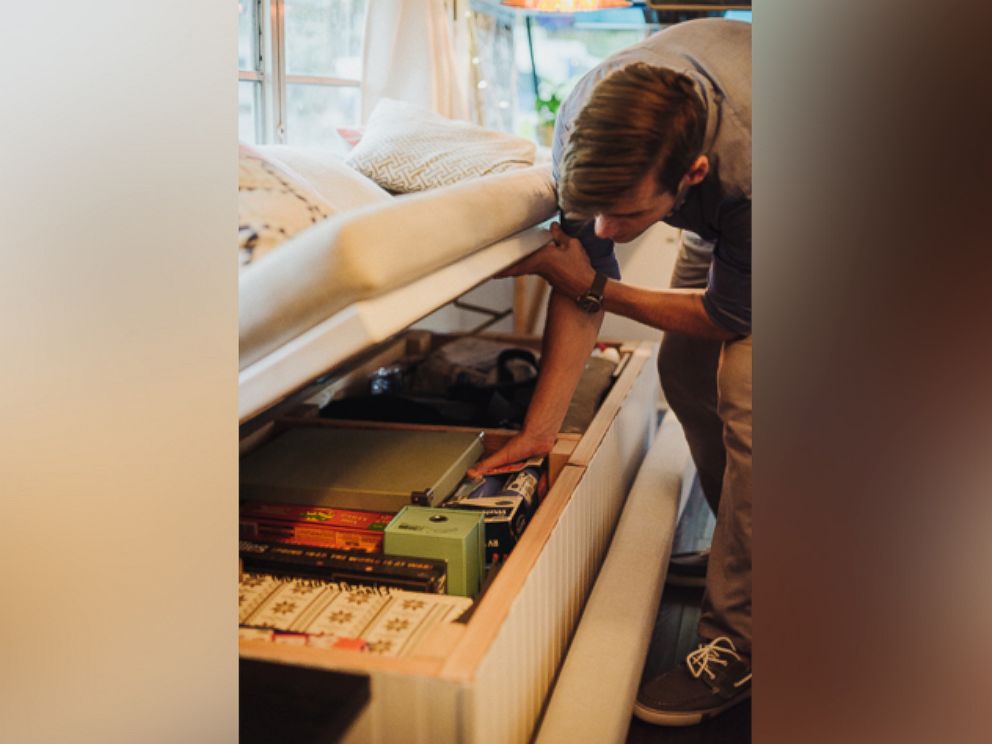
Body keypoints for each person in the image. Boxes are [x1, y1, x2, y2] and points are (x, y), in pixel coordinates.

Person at [466, 18, 751, 727]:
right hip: (721, 203)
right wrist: (542, 429)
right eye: (593, 209)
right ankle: (740, 551)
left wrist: (599, 288)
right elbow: (582, 274)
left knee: (749, 399)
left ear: (690, 177)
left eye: (625, 215)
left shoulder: (752, 171)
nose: (603, 231)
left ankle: (743, 636)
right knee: (684, 374)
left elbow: (729, 315)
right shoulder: (586, 127)